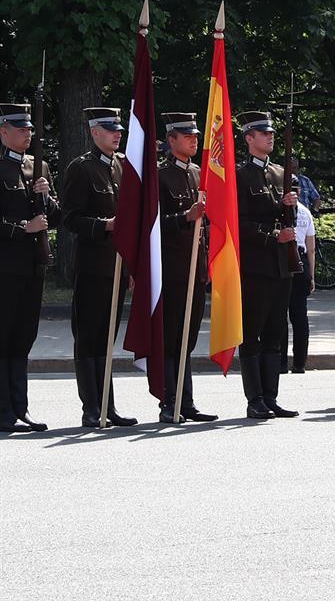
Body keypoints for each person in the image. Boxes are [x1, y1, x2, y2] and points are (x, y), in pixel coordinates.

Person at [61, 107, 138, 428]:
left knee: (107, 338)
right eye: (110, 130)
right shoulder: (81, 169)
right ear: (95, 132)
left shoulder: (122, 167)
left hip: (117, 267)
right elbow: (70, 218)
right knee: (89, 337)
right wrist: (104, 225)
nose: (117, 134)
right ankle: (91, 407)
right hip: (93, 266)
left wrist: (132, 267)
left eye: (118, 129)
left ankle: (109, 404)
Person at [235, 111, 300, 419]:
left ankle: (271, 396)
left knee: (276, 332)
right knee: (252, 332)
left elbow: (289, 218)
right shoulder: (241, 175)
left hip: (281, 265)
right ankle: (255, 398)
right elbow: (239, 223)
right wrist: (274, 235)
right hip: (257, 264)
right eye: (263, 133)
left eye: (272, 132)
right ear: (249, 138)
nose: (270, 137)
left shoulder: (279, 173)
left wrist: (289, 209)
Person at [0, 103, 60, 432]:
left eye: (29, 129)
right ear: (3, 132)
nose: (28, 134)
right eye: (21, 129)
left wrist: (46, 195)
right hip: (6, 268)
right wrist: (23, 228)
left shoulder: (39, 169)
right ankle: (3, 412)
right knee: (4, 338)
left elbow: (57, 216)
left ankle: (19, 409)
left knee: (23, 339)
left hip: (32, 267)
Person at [156, 114, 217, 423]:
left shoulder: (199, 174)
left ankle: (186, 401)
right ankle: (169, 402)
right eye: (187, 135)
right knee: (171, 338)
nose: (194, 139)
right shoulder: (160, 176)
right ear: (171, 140)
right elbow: (151, 227)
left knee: (188, 339)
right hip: (172, 269)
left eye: (195, 135)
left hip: (196, 269)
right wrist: (184, 217)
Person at [281, 196, 316, 374]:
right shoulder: (305, 212)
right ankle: (299, 362)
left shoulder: (279, 209)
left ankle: (279, 362)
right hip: (301, 261)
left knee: (280, 314)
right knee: (300, 316)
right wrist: (311, 274)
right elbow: (311, 248)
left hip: (284, 260)